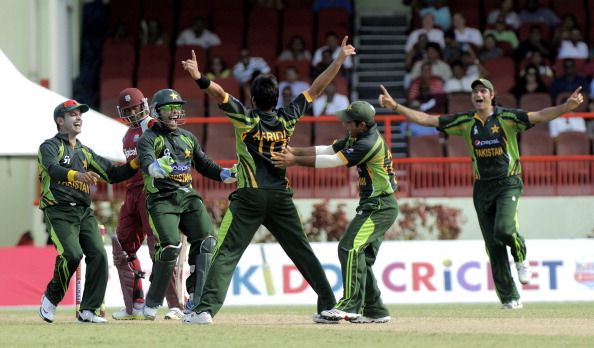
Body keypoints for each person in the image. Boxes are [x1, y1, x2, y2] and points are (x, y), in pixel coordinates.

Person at [179, 36, 356, 325]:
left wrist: (199, 77)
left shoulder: (246, 120)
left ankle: (204, 310)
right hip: (280, 198)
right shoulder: (288, 118)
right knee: (302, 251)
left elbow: (220, 94)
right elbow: (316, 88)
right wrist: (339, 60)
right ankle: (328, 305)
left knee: (226, 253)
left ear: (252, 98)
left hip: (249, 196)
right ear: (277, 98)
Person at [378, 80, 584, 309]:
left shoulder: (508, 118)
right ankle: (509, 298)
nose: (478, 94)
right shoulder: (466, 122)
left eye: (483, 90)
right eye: (474, 91)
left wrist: (566, 107)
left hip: (508, 183)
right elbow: (428, 120)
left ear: (492, 95)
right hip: (482, 187)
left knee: (504, 230)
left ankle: (520, 256)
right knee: (493, 246)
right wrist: (395, 106)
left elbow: (540, 115)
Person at [271, 100, 397, 323]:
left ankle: (349, 306)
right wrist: (295, 151)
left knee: (349, 248)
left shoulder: (367, 143)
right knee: (362, 259)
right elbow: (329, 149)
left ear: (361, 124)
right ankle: (375, 311)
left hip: (379, 206)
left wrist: (294, 161)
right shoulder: (358, 135)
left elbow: (332, 161)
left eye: (349, 122)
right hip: (376, 205)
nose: (345, 125)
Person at [136, 88, 236, 320]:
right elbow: (147, 160)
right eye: (168, 109)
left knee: (207, 242)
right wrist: (155, 169)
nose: (174, 113)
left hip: (188, 196)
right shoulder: (148, 138)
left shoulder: (188, 137)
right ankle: (152, 302)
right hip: (161, 198)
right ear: (156, 112)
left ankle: (196, 301)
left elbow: (204, 164)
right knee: (170, 246)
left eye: (176, 108)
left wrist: (227, 174)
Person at [38, 99, 139, 323]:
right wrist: (77, 175)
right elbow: (53, 168)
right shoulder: (50, 146)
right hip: (58, 210)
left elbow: (112, 174)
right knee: (72, 254)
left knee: (99, 256)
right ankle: (51, 298)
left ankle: (88, 310)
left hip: (83, 212)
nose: (78, 118)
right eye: (72, 114)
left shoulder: (85, 152)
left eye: (80, 114)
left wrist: (135, 163)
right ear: (59, 120)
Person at [110, 88, 185, 321]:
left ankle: (176, 305)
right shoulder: (126, 134)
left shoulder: (152, 125)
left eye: (135, 107)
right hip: (131, 194)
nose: (133, 113)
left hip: (151, 192)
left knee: (159, 247)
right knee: (122, 247)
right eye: (128, 110)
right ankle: (135, 305)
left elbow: (172, 144)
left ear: (144, 104)